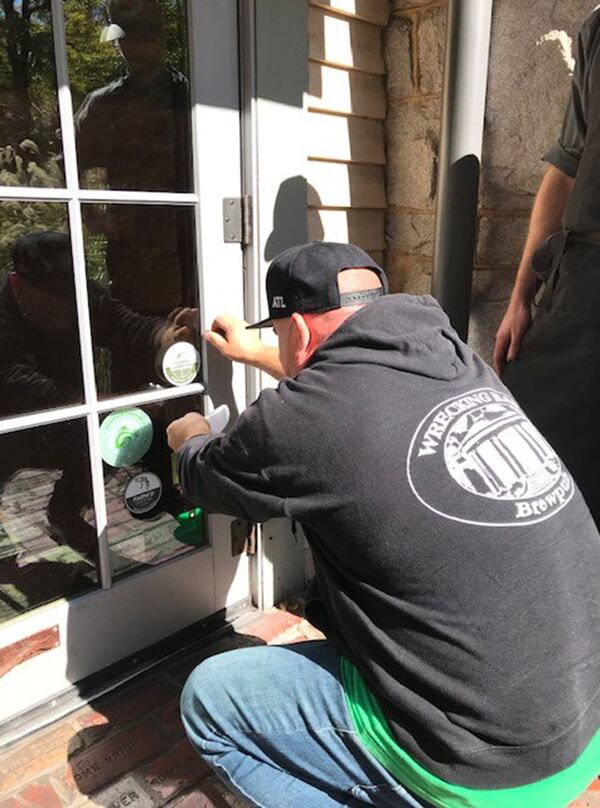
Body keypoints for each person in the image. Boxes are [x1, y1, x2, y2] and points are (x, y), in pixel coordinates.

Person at [167, 241, 600, 808]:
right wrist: (256, 353)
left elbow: (202, 474)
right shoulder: (456, 361)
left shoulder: (297, 421)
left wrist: (188, 435)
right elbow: (351, 381)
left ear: (296, 327)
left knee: (210, 702)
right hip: (578, 734)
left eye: (277, 335)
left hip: (477, 770)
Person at [0, 231, 195, 558]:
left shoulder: (82, 297)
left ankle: (64, 511)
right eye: (53, 298)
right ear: (19, 285)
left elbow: (127, 325)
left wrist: (169, 334)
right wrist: (101, 405)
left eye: (71, 296)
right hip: (12, 421)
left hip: (72, 406)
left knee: (115, 433)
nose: (66, 309)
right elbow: (18, 384)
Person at [494, 7, 600, 527]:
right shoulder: (599, 29)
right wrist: (520, 299)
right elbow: (566, 167)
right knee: (529, 468)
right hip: (582, 285)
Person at [73, 0, 194, 315]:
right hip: (129, 258)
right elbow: (72, 165)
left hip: (186, 251)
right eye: (126, 38)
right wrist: (94, 218)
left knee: (187, 334)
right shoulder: (101, 106)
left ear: (161, 37)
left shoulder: (191, 99)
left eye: (144, 36)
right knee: (130, 338)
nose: (134, 47)